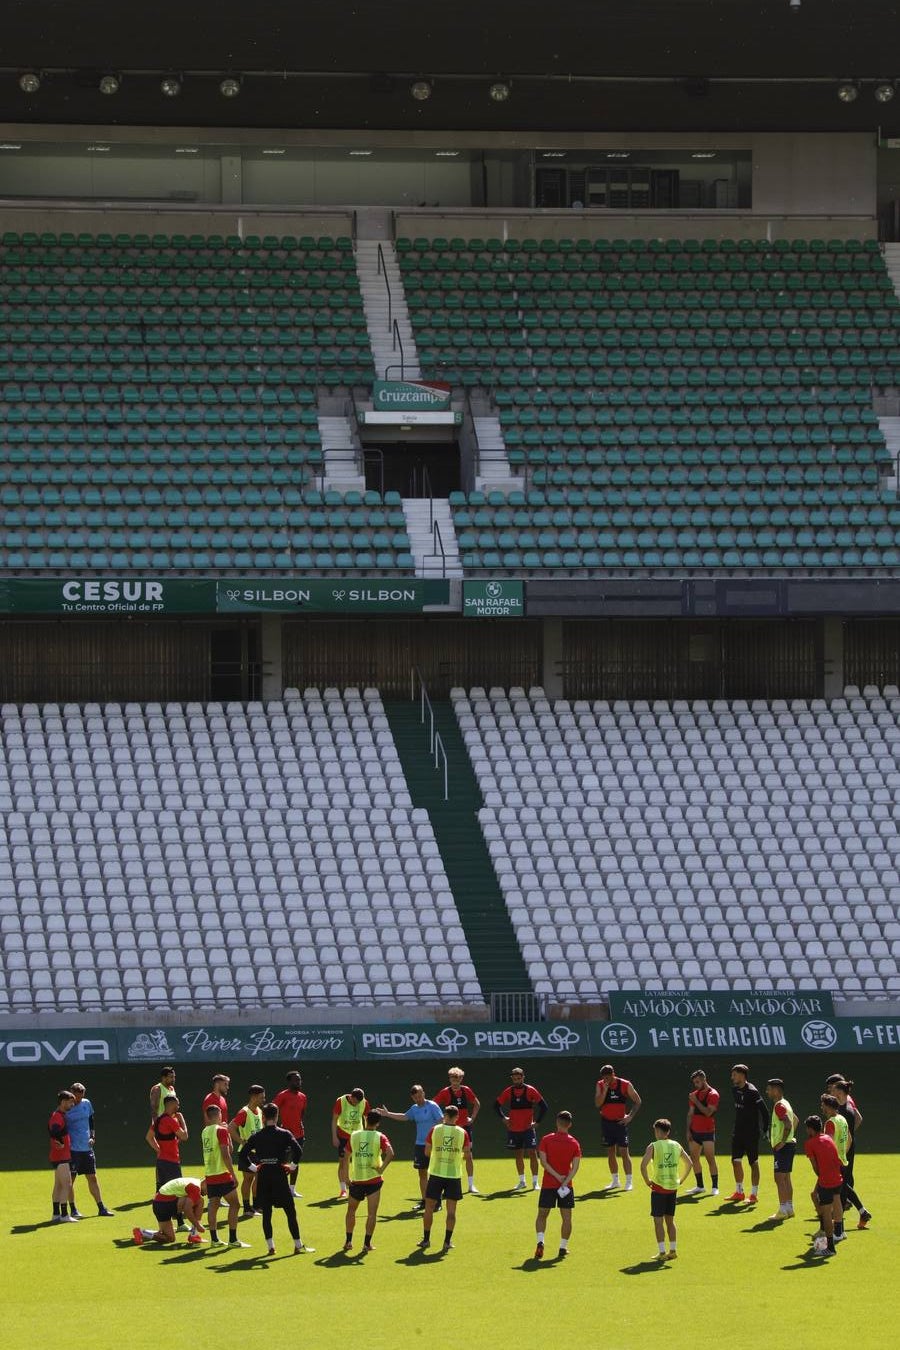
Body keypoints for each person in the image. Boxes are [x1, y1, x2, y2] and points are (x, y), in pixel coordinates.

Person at [238, 1102, 314, 1256]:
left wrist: (254, 1168)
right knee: (290, 1211)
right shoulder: (284, 1134)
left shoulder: (257, 1136)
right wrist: (292, 1166)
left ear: (263, 1118)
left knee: (267, 1214)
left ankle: (271, 1247)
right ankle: (298, 1245)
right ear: (277, 1116)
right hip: (279, 1177)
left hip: (264, 1178)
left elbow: (242, 1155)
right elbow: (298, 1151)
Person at [378, 1085, 444, 1208]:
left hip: (434, 1145)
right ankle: (425, 1201)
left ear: (423, 1093)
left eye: (420, 1096)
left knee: (435, 1174)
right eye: (415, 1097)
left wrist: (439, 1141)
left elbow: (441, 1122)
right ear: (412, 1098)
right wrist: (387, 1114)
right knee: (422, 1173)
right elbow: (404, 1116)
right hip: (420, 1145)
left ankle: (437, 1202)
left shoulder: (433, 1106)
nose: (418, 1099)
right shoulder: (414, 1109)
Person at [418, 1104, 472, 1253]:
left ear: (445, 1116)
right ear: (457, 1117)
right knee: (451, 1212)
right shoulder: (462, 1133)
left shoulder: (434, 1130)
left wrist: (439, 1155)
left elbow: (427, 1152)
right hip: (453, 1176)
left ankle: (426, 1240)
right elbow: (467, 1154)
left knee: (429, 1208)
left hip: (436, 1174)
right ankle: (447, 1242)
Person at [639, 1118, 693, 1262]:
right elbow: (689, 1164)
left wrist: (647, 1181)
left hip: (658, 1188)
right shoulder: (676, 1145)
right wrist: (681, 1180)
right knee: (670, 1220)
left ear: (657, 1131)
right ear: (668, 1132)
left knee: (658, 1221)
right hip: (673, 1189)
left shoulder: (653, 1146)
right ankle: (673, 1250)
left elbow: (643, 1166)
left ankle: (662, 1252)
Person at [534, 1110, 581, 1260]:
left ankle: (540, 1242)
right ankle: (563, 1247)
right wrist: (564, 1181)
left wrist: (556, 1176)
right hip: (566, 1187)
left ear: (557, 1123)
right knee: (566, 1218)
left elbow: (543, 1162)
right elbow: (575, 1168)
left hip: (548, 1184)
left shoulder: (546, 1139)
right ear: (570, 1125)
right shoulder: (574, 1143)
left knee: (542, 1215)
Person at [825, 1075, 871, 1228]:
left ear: (839, 1092)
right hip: (846, 1149)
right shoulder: (848, 1107)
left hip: (842, 1151)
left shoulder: (843, 1112)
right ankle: (861, 1212)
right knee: (843, 1183)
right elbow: (851, 1133)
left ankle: (839, 1221)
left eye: (833, 1090)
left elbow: (847, 1135)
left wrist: (840, 1151)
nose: (831, 1092)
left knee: (841, 1184)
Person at [345, 1109, 394, 1253]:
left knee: (351, 1211)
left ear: (366, 1119)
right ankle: (367, 1244)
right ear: (378, 1123)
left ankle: (348, 1241)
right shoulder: (380, 1137)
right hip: (374, 1181)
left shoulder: (354, 1136)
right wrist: (381, 1169)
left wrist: (346, 1177)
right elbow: (391, 1153)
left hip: (357, 1180)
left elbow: (346, 1157)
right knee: (372, 1214)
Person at [201, 1104, 247, 1249]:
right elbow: (227, 1154)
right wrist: (233, 1175)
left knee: (213, 1205)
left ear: (208, 1117)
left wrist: (227, 1134)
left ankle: (214, 1240)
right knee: (235, 1204)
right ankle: (233, 1239)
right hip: (222, 1174)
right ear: (219, 1115)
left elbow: (226, 1149)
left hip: (210, 1175)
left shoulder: (205, 1131)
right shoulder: (221, 1130)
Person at [494, 1067, 548, 1191]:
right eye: (515, 1078)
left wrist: (537, 1122)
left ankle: (535, 1182)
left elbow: (544, 1107)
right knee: (518, 1155)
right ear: (512, 1078)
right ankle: (522, 1181)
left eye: (519, 1078)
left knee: (532, 1153)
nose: (517, 1080)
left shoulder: (530, 1090)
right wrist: (504, 1118)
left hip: (528, 1129)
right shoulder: (509, 1091)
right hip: (514, 1130)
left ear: (523, 1077)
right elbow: (496, 1105)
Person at [67, 1082, 113, 1217]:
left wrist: (92, 1136)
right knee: (70, 1180)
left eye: (81, 1096)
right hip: (73, 1150)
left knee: (92, 1178)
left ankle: (101, 1208)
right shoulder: (66, 1108)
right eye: (77, 1097)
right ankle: (73, 1209)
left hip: (87, 1148)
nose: (79, 1099)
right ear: (72, 1094)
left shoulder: (87, 1103)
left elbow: (91, 1119)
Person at [433, 1067, 481, 1194]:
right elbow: (434, 1105)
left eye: (458, 1078)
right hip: (450, 1129)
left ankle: (471, 1185)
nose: (455, 1081)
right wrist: (442, 1119)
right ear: (449, 1079)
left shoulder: (466, 1090)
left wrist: (472, 1118)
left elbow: (477, 1103)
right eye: (453, 1078)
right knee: (449, 1156)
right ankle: (445, 1184)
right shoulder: (445, 1092)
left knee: (468, 1155)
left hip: (465, 1128)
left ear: (461, 1079)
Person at [595, 1064, 642, 1192]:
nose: (606, 1080)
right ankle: (615, 1181)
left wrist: (630, 1117)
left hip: (620, 1124)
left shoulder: (625, 1084)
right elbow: (598, 1103)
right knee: (610, 1152)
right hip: (606, 1123)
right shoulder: (600, 1085)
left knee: (624, 1152)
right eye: (604, 1078)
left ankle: (629, 1182)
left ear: (613, 1074)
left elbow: (638, 1101)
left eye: (608, 1077)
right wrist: (605, 1090)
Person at [726, 1064, 769, 1204]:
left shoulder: (752, 1091)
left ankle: (754, 1194)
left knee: (753, 1163)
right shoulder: (734, 1090)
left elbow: (764, 1112)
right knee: (735, 1161)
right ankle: (739, 1192)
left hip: (751, 1134)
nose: (732, 1077)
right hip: (738, 1132)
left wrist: (765, 1129)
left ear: (742, 1075)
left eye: (734, 1075)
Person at [803, 1115, 843, 1258]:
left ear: (811, 1129)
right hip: (838, 1178)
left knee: (826, 1213)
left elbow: (815, 1167)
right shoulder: (828, 1138)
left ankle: (830, 1247)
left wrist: (822, 1178)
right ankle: (837, 1231)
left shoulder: (810, 1143)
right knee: (831, 1201)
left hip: (826, 1180)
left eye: (807, 1128)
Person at [133, 1177, 206, 1246]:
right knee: (200, 1200)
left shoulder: (194, 1181)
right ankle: (194, 1234)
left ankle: (142, 1232)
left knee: (170, 1238)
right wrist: (197, 1225)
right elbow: (187, 1209)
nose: (207, 1194)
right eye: (210, 1190)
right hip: (166, 1203)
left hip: (157, 1204)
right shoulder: (196, 1188)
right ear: (206, 1183)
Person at [229, 1084, 265, 1217]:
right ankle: (247, 1208)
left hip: (259, 1152)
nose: (263, 1100)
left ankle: (256, 1205)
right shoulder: (244, 1112)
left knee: (259, 1178)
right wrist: (241, 1141)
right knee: (248, 1179)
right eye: (261, 1097)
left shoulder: (259, 1111)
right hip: (247, 1153)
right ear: (254, 1097)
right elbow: (231, 1127)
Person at [765, 1078, 799, 1220]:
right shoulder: (786, 1103)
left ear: (776, 1090)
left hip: (783, 1147)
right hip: (789, 1145)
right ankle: (789, 1208)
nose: (767, 1091)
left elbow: (789, 1124)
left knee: (779, 1178)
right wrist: (789, 1138)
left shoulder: (779, 1105)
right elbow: (795, 1120)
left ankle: (782, 1210)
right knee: (786, 1178)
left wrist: (783, 1142)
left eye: (769, 1089)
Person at [684, 1069, 719, 1196]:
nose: (696, 1084)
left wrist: (696, 1100)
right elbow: (690, 1113)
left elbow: (708, 1112)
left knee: (710, 1159)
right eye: (694, 1082)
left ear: (704, 1079)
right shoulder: (694, 1095)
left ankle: (715, 1187)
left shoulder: (713, 1094)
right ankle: (700, 1186)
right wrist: (688, 1130)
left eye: (698, 1081)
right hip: (695, 1132)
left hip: (708, 1132)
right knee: (694, 1158)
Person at [273, 1070, 308, 1197]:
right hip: (284, 1135)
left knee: (295, 1161)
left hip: (299, 1135)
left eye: (299, 1080)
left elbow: (301, 1114)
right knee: (281, 1162)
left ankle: (292, 1189)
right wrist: (276, 1128)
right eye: (296, 1080)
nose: (298, 1082)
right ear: (289, 1082)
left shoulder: (303, 1097)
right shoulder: (282, 1096)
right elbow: (272, 1111)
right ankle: (280, 1189)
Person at [819, 1095, 848, 1243]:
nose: (821, 1107)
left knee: (832, 1199)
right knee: (837, 1199)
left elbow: (828, 1143)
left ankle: (835, 1231)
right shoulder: (842, 1119)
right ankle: (840, 1231)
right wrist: (842, 1154)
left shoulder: (830, 1122)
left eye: (823, 1105)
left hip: (833, 1165)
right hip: (842, 1162)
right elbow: (848, 1139)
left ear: (829, 1107)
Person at [331, 1088, 369, 1200]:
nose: (356, 1104)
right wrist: (334, 1137)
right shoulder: (341, 1101)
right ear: (351, 1097)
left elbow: (367, 1119)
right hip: (343, 1135)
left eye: (358, 1102)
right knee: (343, 1161)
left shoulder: (364, 1103)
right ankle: (343, 1189)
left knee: (360, 1161)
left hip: (358, 1136)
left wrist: (367, 1134)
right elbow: (334, 1119)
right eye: (355, 1101)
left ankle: (361, 1186)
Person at [146, 1094, 189, 1192]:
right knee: (178, 1191)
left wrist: (158, 1149)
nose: (178, 1107)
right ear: (171, 1104)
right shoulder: (170, 1121)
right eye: (177, 1104)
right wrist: (182, 1120)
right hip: (171, 1162)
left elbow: (149, 1137)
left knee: (164, 1192)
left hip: (161, 1162)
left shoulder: (158, 1120)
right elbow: (185, 1136)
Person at [48, 1089, 77, 1223]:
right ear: (63, 1102)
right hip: (61, 1156)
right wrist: (60, 1141)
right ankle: (64, 1215)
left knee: (59, 1185)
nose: (72, 1105)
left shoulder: (57, 1115)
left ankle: (56, 1214)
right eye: (70, 1102)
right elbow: (54, 1130)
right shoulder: (57, 1116)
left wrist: (59, 1141)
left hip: (58, 1156)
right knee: (67, 1184)